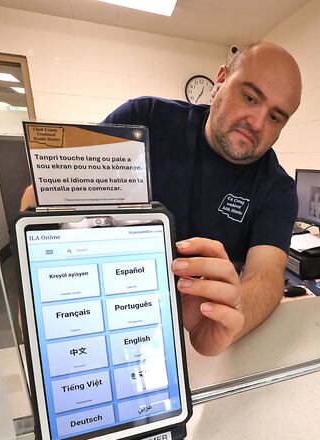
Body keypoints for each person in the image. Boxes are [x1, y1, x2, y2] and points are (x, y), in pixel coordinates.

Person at [20, 42, 302, 356]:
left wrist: (231, 318)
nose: (258, 122)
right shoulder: (145, 119)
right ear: (221, 80)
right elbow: (39, 200)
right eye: (249, 97)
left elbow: (267, 274)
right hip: (110, 313)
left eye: (276, 117)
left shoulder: (277, 188)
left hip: (200, 328)